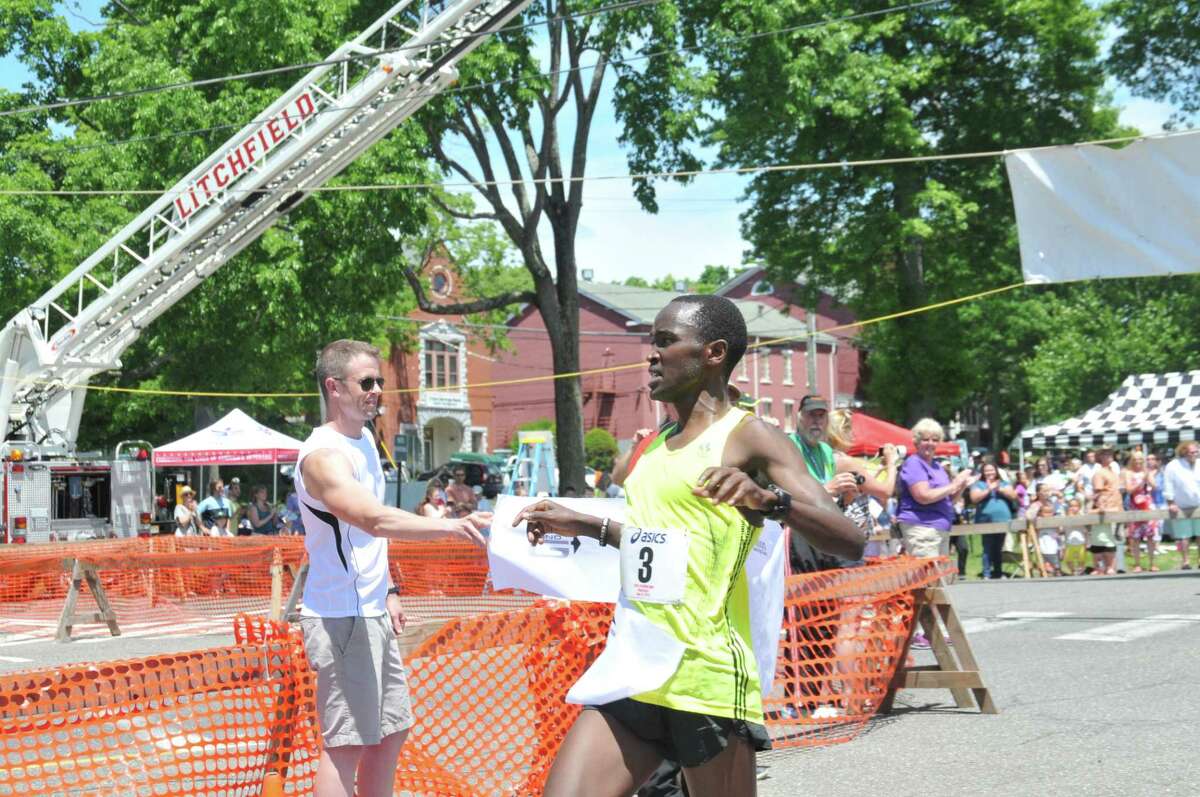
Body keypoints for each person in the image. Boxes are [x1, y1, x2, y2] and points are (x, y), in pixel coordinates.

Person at [512, 295, 863, 797]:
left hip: (708, 674)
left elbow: (849, 540)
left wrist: (769, 502)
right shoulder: (657, 444)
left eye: (665, 342)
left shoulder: (750, 437)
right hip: (637, 663)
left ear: (713, 353)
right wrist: (588, 526)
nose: (650, 355)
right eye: (652, 343)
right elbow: (662, 546)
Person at [295, 340, 489, 797]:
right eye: (367, 382)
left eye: (379, 380)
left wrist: (390, 588)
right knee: (345, 745)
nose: (378, 389)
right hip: (341, 616)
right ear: (333, 388)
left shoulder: (363, 440)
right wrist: (449, 527)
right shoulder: (322, 457)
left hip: (371, 610)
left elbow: (372, 535)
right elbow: (372, 518)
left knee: (390, 731)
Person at [895, 418, 975, 562]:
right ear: (917, 441)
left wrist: (962, 485)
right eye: (926, 439)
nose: (931, 443)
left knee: (938, 578)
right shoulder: (914, 463)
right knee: (928, 577)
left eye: (935, 439)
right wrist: (954, 484)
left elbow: (949, 500)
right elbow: (923, 496)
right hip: (922, 528)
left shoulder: (937, 466)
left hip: (940, 528)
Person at [969, 461, 1017, 579]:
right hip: (985, 520)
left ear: (996, 471)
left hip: (1002, 520)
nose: (989, 472)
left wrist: (1000, 489)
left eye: (992, 470)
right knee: (987, 546)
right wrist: (989, 489)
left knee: (998, 547)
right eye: (986, 470)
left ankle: (998, 572)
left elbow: (1013, 495)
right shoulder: (978, 484)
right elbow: (974, 498)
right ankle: (986, 573)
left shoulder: (1004, 483)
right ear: (983, 472)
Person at [1163, 441, 1200, 571]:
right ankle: (1185, 561)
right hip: (1181, 505)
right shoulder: (1173, 466)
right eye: (1192, 452)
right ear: (1184, 452)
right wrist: (1171, 502)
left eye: (1196, 452)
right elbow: (1168, 485)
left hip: (1198, 505)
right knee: (1184, 536)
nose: (1195, 454)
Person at [1089, 448, 1122, 575]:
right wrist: (1100, 506)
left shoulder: (1113, 471)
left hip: (1116, 505)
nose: (1108, 456)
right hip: (1106, 506)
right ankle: (1101, 566)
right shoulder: (1099, 473)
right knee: (1102, 536)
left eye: (1110, 453)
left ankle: (1113, 566)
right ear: (1100, 457)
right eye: (1105, 454)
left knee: (1115, 536)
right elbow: (1098, 492)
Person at [1123, 451, 1158, 572]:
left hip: (1147, 504)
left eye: (1140, 460)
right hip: (1135, 505)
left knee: (1150, 536)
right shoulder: (1128, 473)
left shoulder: (1146, 472)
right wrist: (1141, 481)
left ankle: (1152, 563)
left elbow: (1155, 486)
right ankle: (1137, 564)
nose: (1138, 462)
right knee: (1135, 537)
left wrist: (1149, 477)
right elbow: (1129, 490)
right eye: (1135, 460)